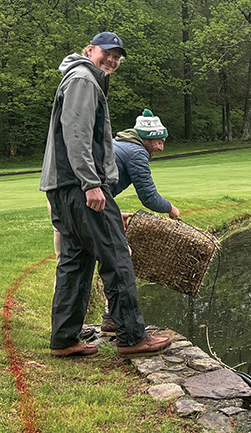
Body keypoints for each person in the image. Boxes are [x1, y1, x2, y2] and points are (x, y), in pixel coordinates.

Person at [40, 31, 172, 358]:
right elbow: (77, 134)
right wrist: (91, 183)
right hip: (80, 186)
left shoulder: (82, 78)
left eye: (117, 57)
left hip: (62, 188)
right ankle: (131, 336)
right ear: (90, 50)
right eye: (107, 53)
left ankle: (65, 338)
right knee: (116, 256)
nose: (112, 60)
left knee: (75, 261)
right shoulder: (85, 80)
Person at [96, 109, 179, 332]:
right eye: (159, 142)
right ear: (147, 139)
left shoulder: (120, 144)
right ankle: (117, 321)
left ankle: (71, 328)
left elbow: (105, 188)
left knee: (77, 260)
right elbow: (149, 197)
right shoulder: (136, 152)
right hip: (89, 205)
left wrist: (114, 212)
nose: (161, 148)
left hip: (76, 202)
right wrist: (171, 209)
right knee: (120, 258)